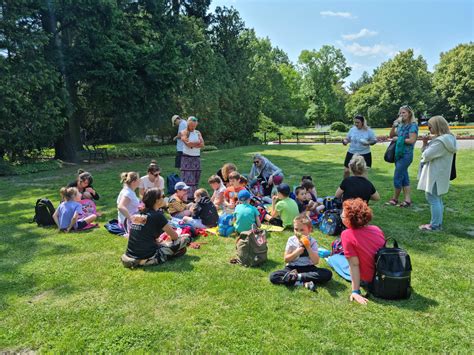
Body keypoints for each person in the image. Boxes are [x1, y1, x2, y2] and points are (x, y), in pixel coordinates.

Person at [121, 188, 190, 268]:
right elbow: (175, 236)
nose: (165, 198)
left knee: (166, 243)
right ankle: (151, 260)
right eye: (163, 196)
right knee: (186, 237)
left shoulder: (138, 214)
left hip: (130, 256)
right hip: (148, 256)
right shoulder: (158, 216)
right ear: (157, 200)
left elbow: (144, 234)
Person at [340, 198, 386, 305]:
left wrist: (355, 291)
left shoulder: (346, 234)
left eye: (342, 215)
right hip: (381, 273)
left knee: (335, 260)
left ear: (348, 219)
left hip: (367, 279)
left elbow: (354, 265)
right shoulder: (376, 229)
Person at [269, 215, 332, 291]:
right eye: (296, 229)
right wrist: (296, 252)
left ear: (309, 230)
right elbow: (286, 259)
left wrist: (308, 247)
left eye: (302, 230)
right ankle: (303, 283)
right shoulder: (291, 240)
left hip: (308, 268)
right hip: (292, 268)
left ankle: (297, 277)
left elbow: (316, 261)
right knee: (274, 276)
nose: (298, 232)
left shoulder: (312, 242)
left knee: (327, 274)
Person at [417, 116, 457, 231]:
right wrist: (427, 142)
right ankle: (437, 223)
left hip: (435, 173)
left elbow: (426, 155)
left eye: (430, 126)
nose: (429, 128)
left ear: (436, 126)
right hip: (441, 172)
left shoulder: (440, 142)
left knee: (432, 198)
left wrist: (426, 144)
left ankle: (435, 225)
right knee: (437, 198)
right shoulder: (449, 138)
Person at [386, 105, 419, 207]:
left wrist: (399, 139)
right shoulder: (400, 125)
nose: (401, 115)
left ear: (409, 113)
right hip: (398, 153)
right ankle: (407, 200)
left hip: (406, 154)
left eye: (404, 113)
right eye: (400, 113)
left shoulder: (413, 125)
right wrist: (394, 126)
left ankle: (395, 199)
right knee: (404, 176)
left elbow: (412, 140)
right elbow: (391, 135)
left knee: (397, 176)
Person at [180, 116, 204, 196]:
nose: (193, 127)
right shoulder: (184, 132)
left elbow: (202, 144)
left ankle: (194, 196)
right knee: (187, 178)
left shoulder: (198, 132)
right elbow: (187, 144)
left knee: (196, 177)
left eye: (194, 125)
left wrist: (192, 145)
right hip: (187, 158)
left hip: (196, 158)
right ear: (188, 124)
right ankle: (187, 196)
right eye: (191, 126)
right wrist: (197, 144)